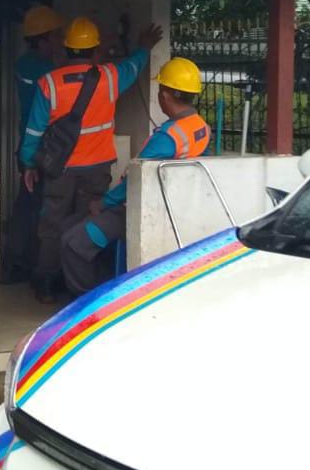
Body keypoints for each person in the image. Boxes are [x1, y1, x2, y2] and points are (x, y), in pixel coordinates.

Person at [20, 16, 163, 303]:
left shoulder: (49, 82)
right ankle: (80, 285)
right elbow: (133, 67)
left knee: (52, 224)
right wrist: (143, 47)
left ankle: (47, 283)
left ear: (66, 49)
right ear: (96, 50)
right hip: (96, 169)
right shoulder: (109, 77)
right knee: (87, 222)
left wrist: (28, 163)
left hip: (59, 169)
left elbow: (34, 129)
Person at [61, 57, 212, 296]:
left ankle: (88, 302)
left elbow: (135, 180)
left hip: (137, 208)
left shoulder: (168, 136)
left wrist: (103, 202)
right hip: (168, 207)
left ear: (165, 95)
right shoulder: (201, 127)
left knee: (74, 242)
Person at [4, 4, 63, 283]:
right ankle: (20, 264)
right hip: (37, 147)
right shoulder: (37, 69)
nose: (58, 42)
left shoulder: (34, 66)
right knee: (32, 208)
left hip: (36, 146)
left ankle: (21, 263)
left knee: (31, 207)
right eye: (54, 37)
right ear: (41, 40)